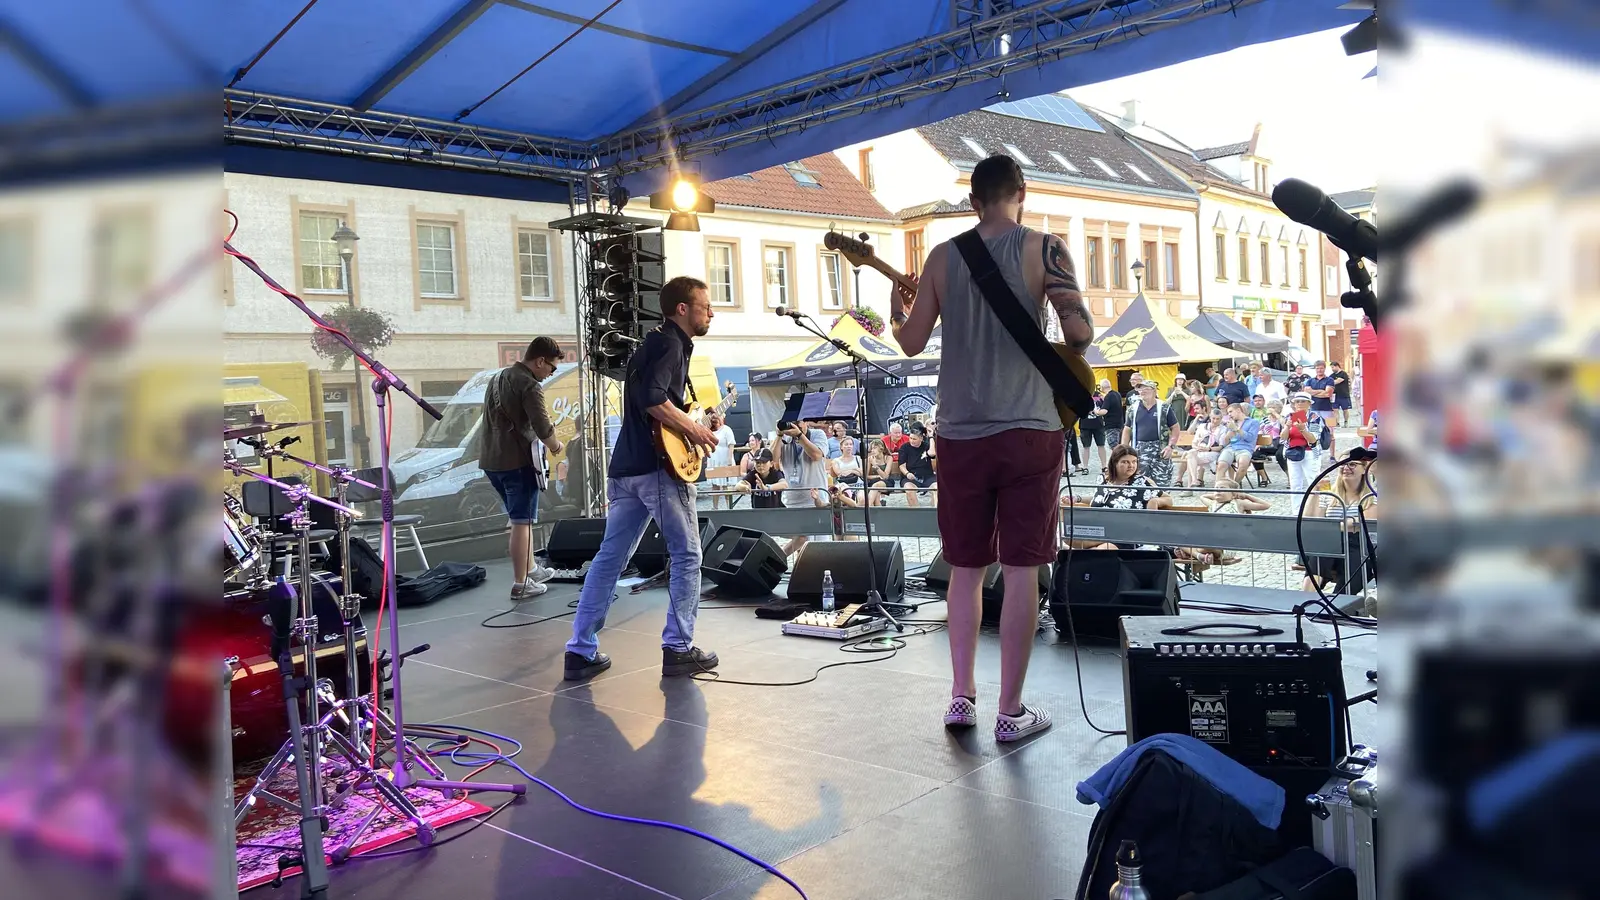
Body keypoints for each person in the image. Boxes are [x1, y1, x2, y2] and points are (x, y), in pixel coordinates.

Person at [889, 153, 1094, 742]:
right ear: (1020, 194)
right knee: (1025, 567)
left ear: (973, 200)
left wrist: (903, 308)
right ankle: (1010, 712)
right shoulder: (1045, 247)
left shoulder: (940, 257)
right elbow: (1079, 333)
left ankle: (960, 699)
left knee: (966, 568)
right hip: (1029, 426)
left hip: (959, 432)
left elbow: (908, 342)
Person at [563, 276, 720, 682]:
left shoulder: (650, 345)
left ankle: (580, 650)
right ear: (682, 308)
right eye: (704, 306)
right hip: (656, 470)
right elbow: (652, 399)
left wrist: (696, 420)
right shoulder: (669, 343)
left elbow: (658, 401)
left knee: (609, 557)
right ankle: (679, 647)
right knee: (688, 556)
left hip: (626, 469)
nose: (711, 313)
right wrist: (698, 431)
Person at [479, 335, 564, 600]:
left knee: (519, 519)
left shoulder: (498, 378)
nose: (551, 373)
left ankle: (531, 569)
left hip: (493, 461)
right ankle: (521, 583)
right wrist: (557, 447)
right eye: (552, 367)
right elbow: (542, 426)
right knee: (522, 522)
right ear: (540, 360)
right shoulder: (529, 384)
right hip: (517, 461)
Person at [1303, 460, 1377, 594]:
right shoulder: (1330, 494)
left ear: (1364, 469)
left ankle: (1337, 608)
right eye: (1342, 464)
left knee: (1355, 571)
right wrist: (1315, 491)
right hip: (1331, 540)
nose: (1346, 468)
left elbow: (1361, 522)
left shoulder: (1372, 496)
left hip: (1360, 544)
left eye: (1352, 464)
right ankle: (1305, 600)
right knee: (1321, 554)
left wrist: (1328, 527)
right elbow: (1310, 520)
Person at [1120, 382, 1179, 487]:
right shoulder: (1133, 409)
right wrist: (1124, 449)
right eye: (1140, 389)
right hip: (1139, 451)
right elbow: (1127, 429)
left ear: (1154, 391)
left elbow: (1175, 427)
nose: (1142, 391)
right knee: (1139, 484)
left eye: (1146, 388)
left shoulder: (1164, 407)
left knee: (1162, 486)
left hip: (1160, 451)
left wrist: (1170, 446)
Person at [1215, 403, 1263, 485]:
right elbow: (1225, 443)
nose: (1229, 415)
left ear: (1238, 410)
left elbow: (1250, 438)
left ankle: (1234, 487)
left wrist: (1236, 429)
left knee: (1243, 464)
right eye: (1228, 413)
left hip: (1245, 448)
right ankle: (1217, 488)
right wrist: (1228, 435)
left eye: (1231, 412)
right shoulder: (1231, 423)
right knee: (1221, 465)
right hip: (1230, 448)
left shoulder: (1253, 422)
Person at [894, 422, 938, 507]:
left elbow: (932, 453)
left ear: (921, 438)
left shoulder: (926, 446)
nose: (911, 441)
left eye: (914, 439)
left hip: (927, 476)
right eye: (910, 438)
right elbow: (901, 465)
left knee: (936, 488)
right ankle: (916, 512)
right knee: (909, 489)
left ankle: (934, 512)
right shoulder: (904, 447)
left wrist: (931, 436)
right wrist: (907, 473)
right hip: (910, 476)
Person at [703, 409, 737, 510]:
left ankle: (729, 507)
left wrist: (730, 459)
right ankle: (715, 507)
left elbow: (731, 444)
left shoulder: (727, 429)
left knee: (726, 486)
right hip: (714, 459)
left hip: (724, 459)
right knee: (715, 485)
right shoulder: (710, 430)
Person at [1078, 385, 1109, 475]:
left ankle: (1104, 466)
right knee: (1085, 446)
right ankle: (1085, 467)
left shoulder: (1099, 395)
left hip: (1098, 424)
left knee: (1101, 445)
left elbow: (1105, 407)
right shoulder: (1081, 395)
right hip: (1085, 424)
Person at [1098, 378, 1125, 476]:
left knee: (1115, 448)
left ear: (1101, 387)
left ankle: (1117, 468)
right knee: (1119, 446)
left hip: (1111, 426)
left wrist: (1096, 412)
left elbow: (1104, 411)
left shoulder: (1108, 397)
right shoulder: (1117, 394)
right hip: (1120, 424)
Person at [828, 436, 865, 505]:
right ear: (841, 447)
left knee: (862, 499)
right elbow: (839, 473)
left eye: (851, 444)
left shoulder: (858, 458)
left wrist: (850, 471)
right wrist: (855, 470)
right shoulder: (836, 460)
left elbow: (862, 473)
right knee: (841, 499)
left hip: (858, 485)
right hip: (843, 485)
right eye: (846, 444)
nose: (849, 446)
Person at [1306, 361, 1338, 427]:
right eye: (1317, 368)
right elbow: (1307, 392)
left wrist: (1313, 393)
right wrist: (1321, 391)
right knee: (1314, 429)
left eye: (1321, 368)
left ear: (1324, 369)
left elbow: (1327, 394)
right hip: (1313, 409)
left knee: (1330, 429)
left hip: (1328, 409)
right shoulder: (1310, 380)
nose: (1319, 370)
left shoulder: (1330, 380)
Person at [864, 439, 894, 507]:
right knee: (877, 495)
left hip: (886, 482)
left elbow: (885, 477)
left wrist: (875, 465)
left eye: (874, 448)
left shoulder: (888, 458)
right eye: (871, 449)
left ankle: (868, 507)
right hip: (873, 481)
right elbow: (866, 476)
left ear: (881, 448)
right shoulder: (870, 459)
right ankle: (879, 514)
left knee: (876, 486)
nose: (872, 451)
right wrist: (877, 476)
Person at [1330, 361, 1354, 426]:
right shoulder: (1331, 375)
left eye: (1333, 367)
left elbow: (1338, 381)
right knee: (1335, 409)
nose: (1332, 369)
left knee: (1345, 410)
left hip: (1344, 394)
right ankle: (1337, 422)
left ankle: (1346, 421)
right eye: (1331, 368)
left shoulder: (1343, 374)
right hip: (1334, 395)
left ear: (1337, 366)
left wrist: (1331, 382)